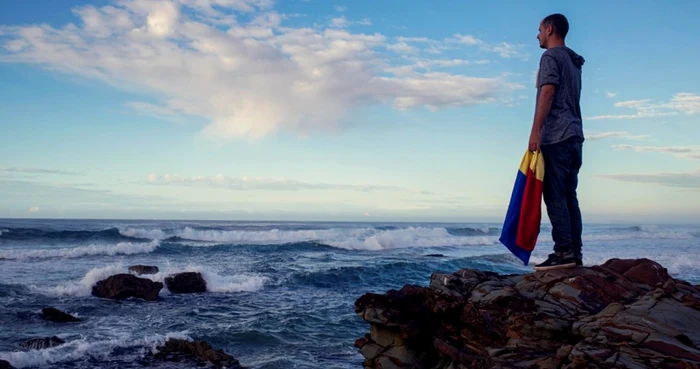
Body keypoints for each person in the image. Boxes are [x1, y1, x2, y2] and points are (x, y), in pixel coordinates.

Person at [529, 13, 586, 271]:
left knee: (555, 196)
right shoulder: (574, 62)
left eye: (540, 30)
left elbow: (548, 91)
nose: (538, 35)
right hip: (575, 136)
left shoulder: (550, 57)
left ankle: (563, 252)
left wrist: (535, 131)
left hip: (557, 136)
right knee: (569, 195)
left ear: (550, 29)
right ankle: (575, 252)